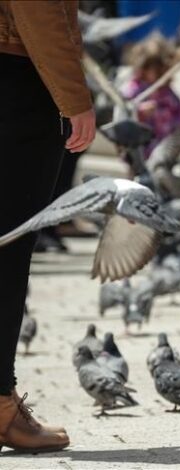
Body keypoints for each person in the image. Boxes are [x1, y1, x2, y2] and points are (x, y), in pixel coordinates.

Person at [0, 0, 96, 452]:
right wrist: (73, 97)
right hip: (17, 79)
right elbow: (36, 9)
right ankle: (0, 406)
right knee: (8, 247)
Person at [121, 33, 180, 158]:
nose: (159, 74)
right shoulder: (134, 89)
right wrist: (139, 111)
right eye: (155, 69)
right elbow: (122, 112)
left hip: (163, 146)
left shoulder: (168, 93)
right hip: (139, 148)